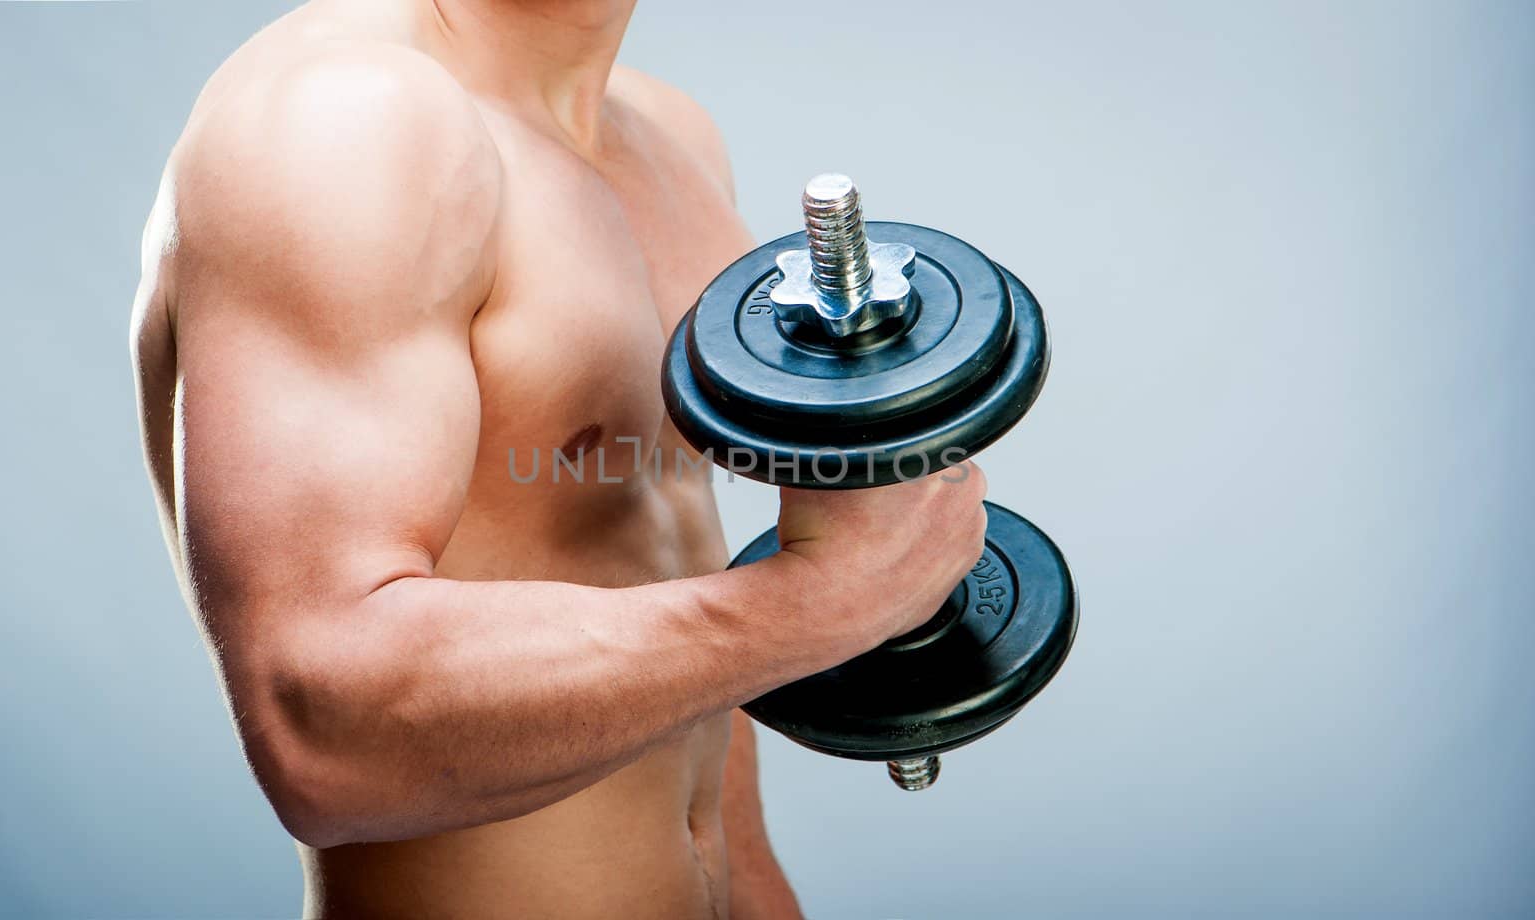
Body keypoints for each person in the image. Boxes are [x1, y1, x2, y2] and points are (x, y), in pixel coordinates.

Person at [129, 1, 988, 916]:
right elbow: (326, 732)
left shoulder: (670, 136)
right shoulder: (347, 119)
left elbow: (685, 642)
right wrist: (824, 602)